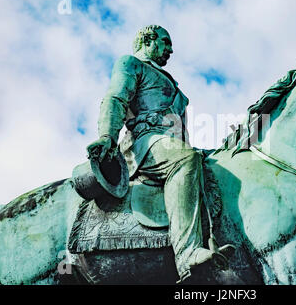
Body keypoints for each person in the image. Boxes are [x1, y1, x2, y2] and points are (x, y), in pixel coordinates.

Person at [86, 25, 232, 282]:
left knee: (208, 166)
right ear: (148, 40)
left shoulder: (174, 87)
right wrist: (107, 136)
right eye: (165, 42)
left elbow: (179, 133)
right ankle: (187, 254)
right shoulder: (131, 63)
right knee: (186, 158)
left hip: (169, 145)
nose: (171, 49)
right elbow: (115, 98)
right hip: (144, 142)